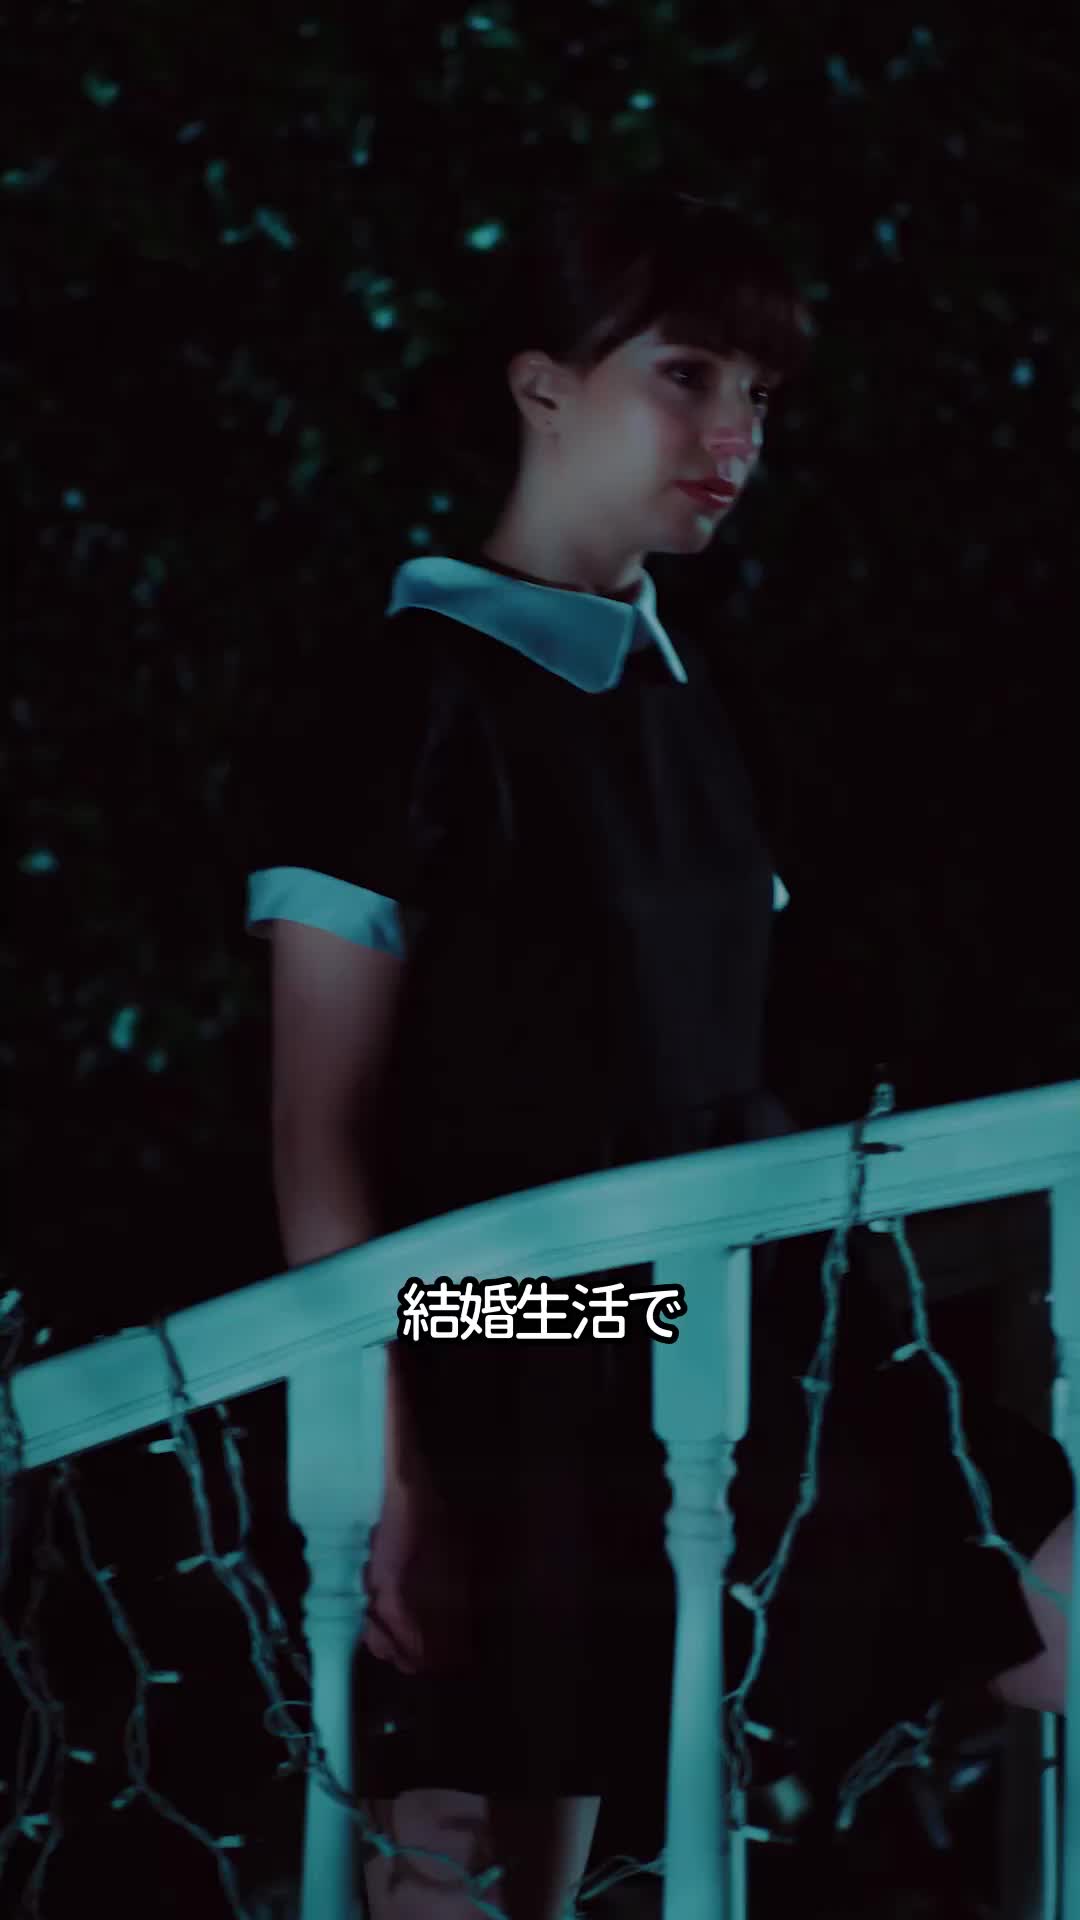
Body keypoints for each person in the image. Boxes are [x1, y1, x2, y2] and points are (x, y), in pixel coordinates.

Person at [243, 182, 1073, 1918]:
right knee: (484, 1822)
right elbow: (320, 1133)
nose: (734, 434)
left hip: (719, 1305)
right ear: (542, 384)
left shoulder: (684, 689)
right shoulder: (411, 696)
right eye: (686, 376)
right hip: (497, 1316)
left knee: (1013, 1579)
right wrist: (383, 1455)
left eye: (758, 394)